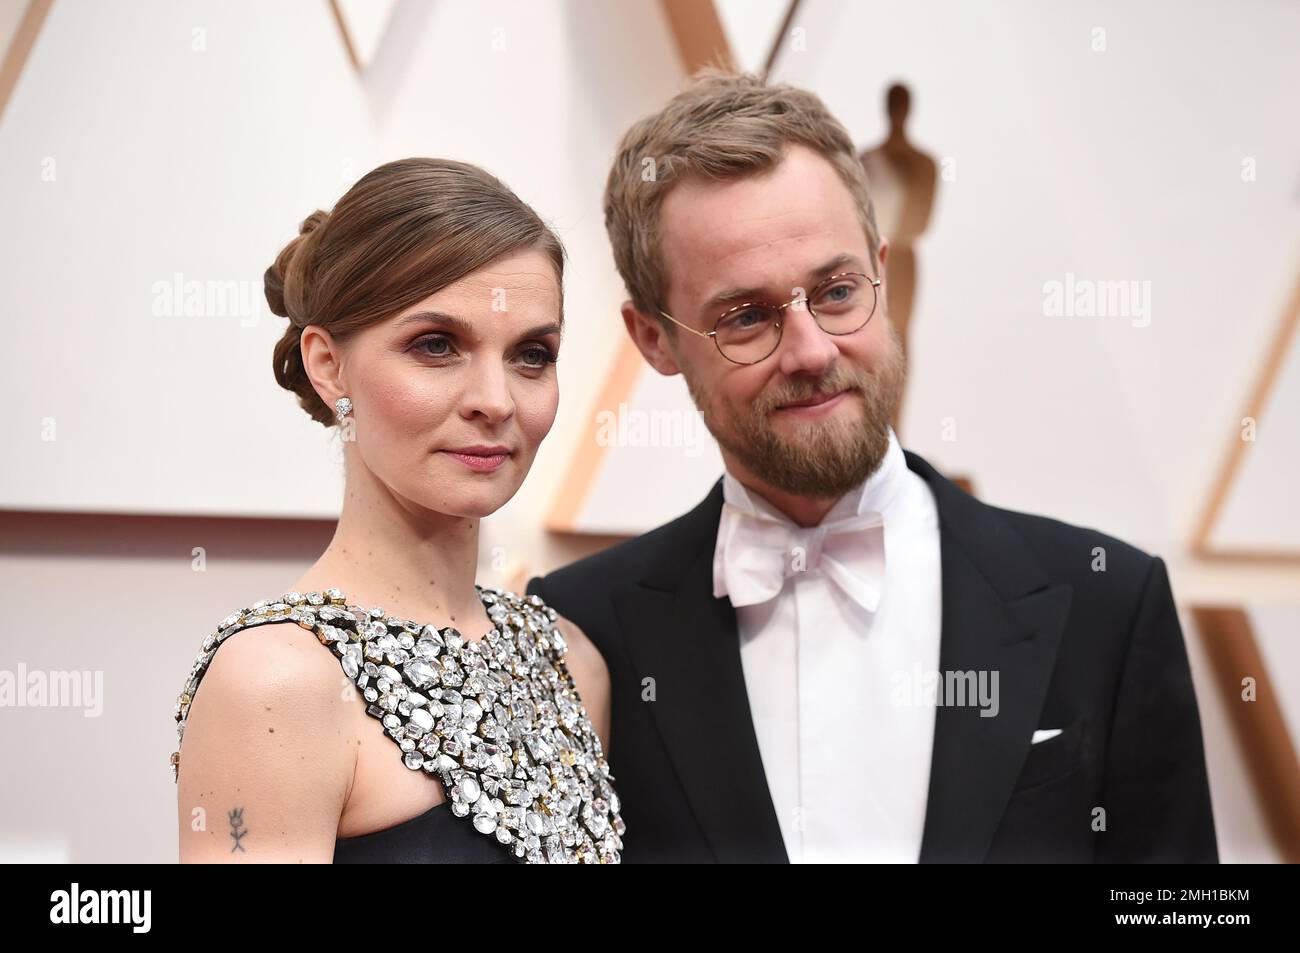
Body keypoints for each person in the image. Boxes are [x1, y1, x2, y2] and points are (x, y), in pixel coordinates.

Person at [527, 71, 1217, 863]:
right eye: (746, 317)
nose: (813, 349)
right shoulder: (578, 634)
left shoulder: (1109, 603)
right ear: (654, 339)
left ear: (883, 272)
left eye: (837, 290)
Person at [171, 158, 624, 864]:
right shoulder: (273, 683)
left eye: (532, 354)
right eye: (437, 345)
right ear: (329, 366)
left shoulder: (571, 663)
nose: (495, 400)